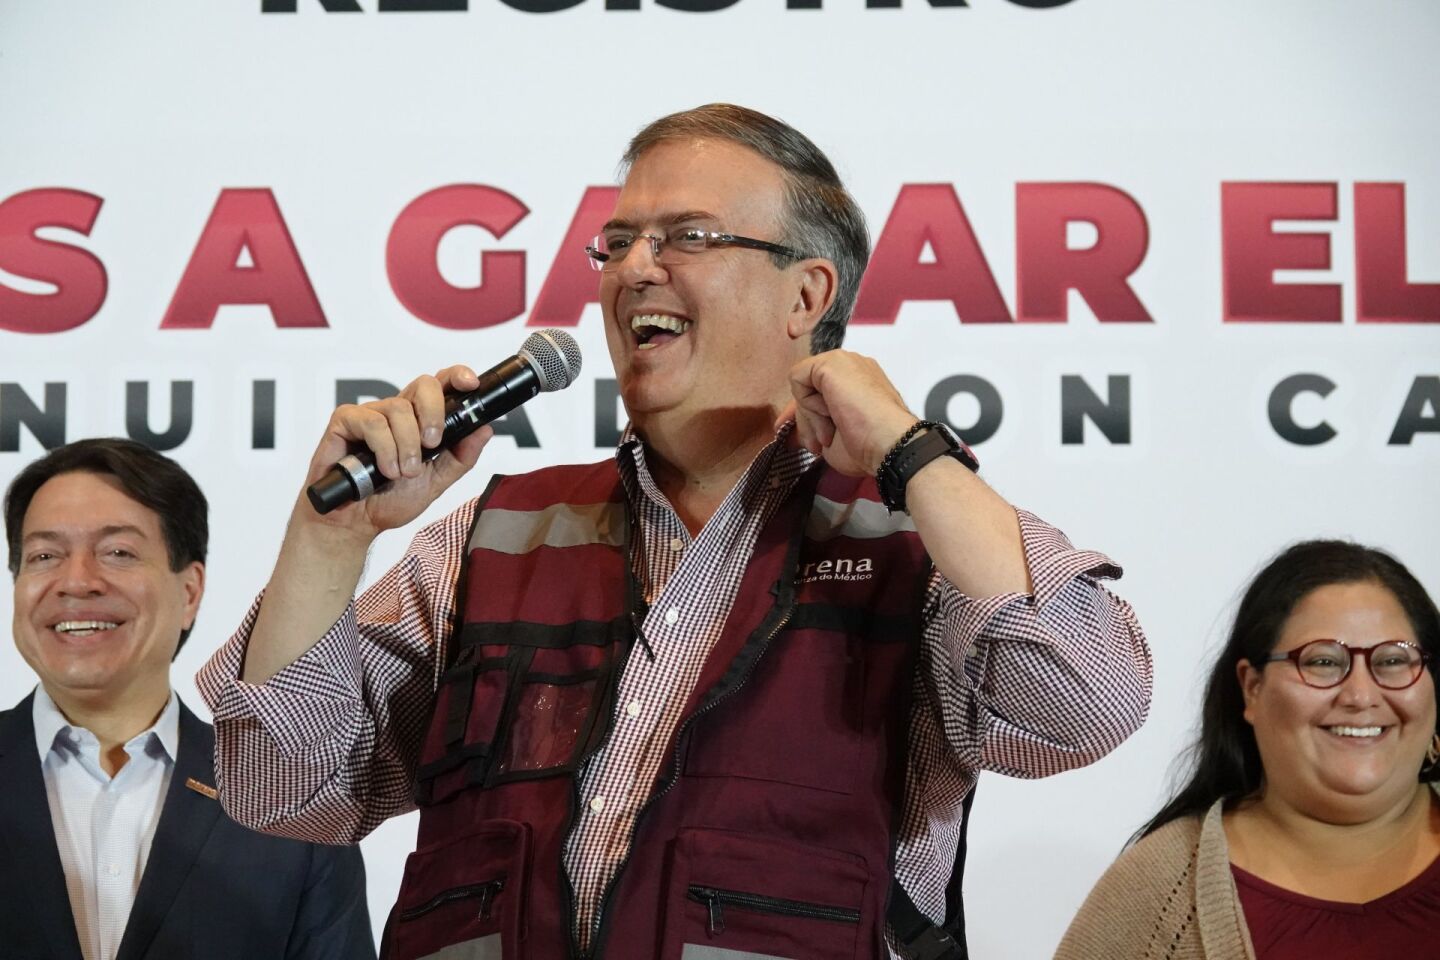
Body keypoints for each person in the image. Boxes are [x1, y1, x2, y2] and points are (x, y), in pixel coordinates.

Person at [198, 104, 1152, 960]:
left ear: (807, 298)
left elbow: (1079, 707)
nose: (636, 267)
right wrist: (334, 538)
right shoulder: (499, 532)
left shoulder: (916, 534)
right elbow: (282, 784)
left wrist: (906, 448)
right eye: (617, 242)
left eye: (687, 236)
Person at [0, 438, 375, 960]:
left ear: (190, 592)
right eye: (45, 555)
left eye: (118, 552)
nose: (77, 581)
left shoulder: (291, 799)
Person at [1055, 540, 1440, 960]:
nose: (1361, 695)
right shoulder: (1156, 893)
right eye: (1323, 662)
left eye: (1393, 661)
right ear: (1251, 688)